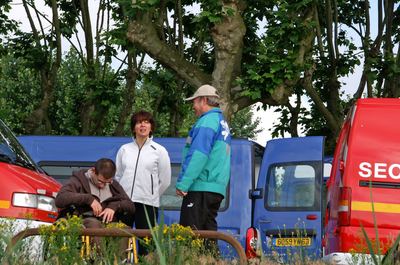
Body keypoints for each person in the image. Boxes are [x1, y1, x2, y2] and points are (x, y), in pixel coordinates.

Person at [175, 84, 231, 251]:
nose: (193, 106)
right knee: (208, 238)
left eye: (195, 102)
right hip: (216, 188)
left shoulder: (206, 121)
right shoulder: (222, 123)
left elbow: (198, 155)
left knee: (189, 238)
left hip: (200, 187)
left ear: (204, 100)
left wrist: (183, 184)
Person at [115, 110, 171, 254]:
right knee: (120, 242)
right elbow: (117, 176)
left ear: (151, 127)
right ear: (134, 127)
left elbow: (165, 180)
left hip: (148, 205)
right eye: (139, 122)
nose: (143, 125)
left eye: (146, 122)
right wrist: (121, 197)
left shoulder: (159, 151)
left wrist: (152, 196)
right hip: (125, 203)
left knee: (146, 246)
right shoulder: (124, 149)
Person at [55, 158, 135, 251]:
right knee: (94, 225)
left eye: (107, 182)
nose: (103, 185)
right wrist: (88, 199)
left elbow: (130, 205)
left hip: (108, 223)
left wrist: (114, 206)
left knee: (123, 229)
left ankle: (118, 261)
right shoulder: (78, 180)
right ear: (93, 171)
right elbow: (60, 199)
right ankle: (99, 260)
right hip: (85, 219)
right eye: (100, 181)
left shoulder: (113, 185)